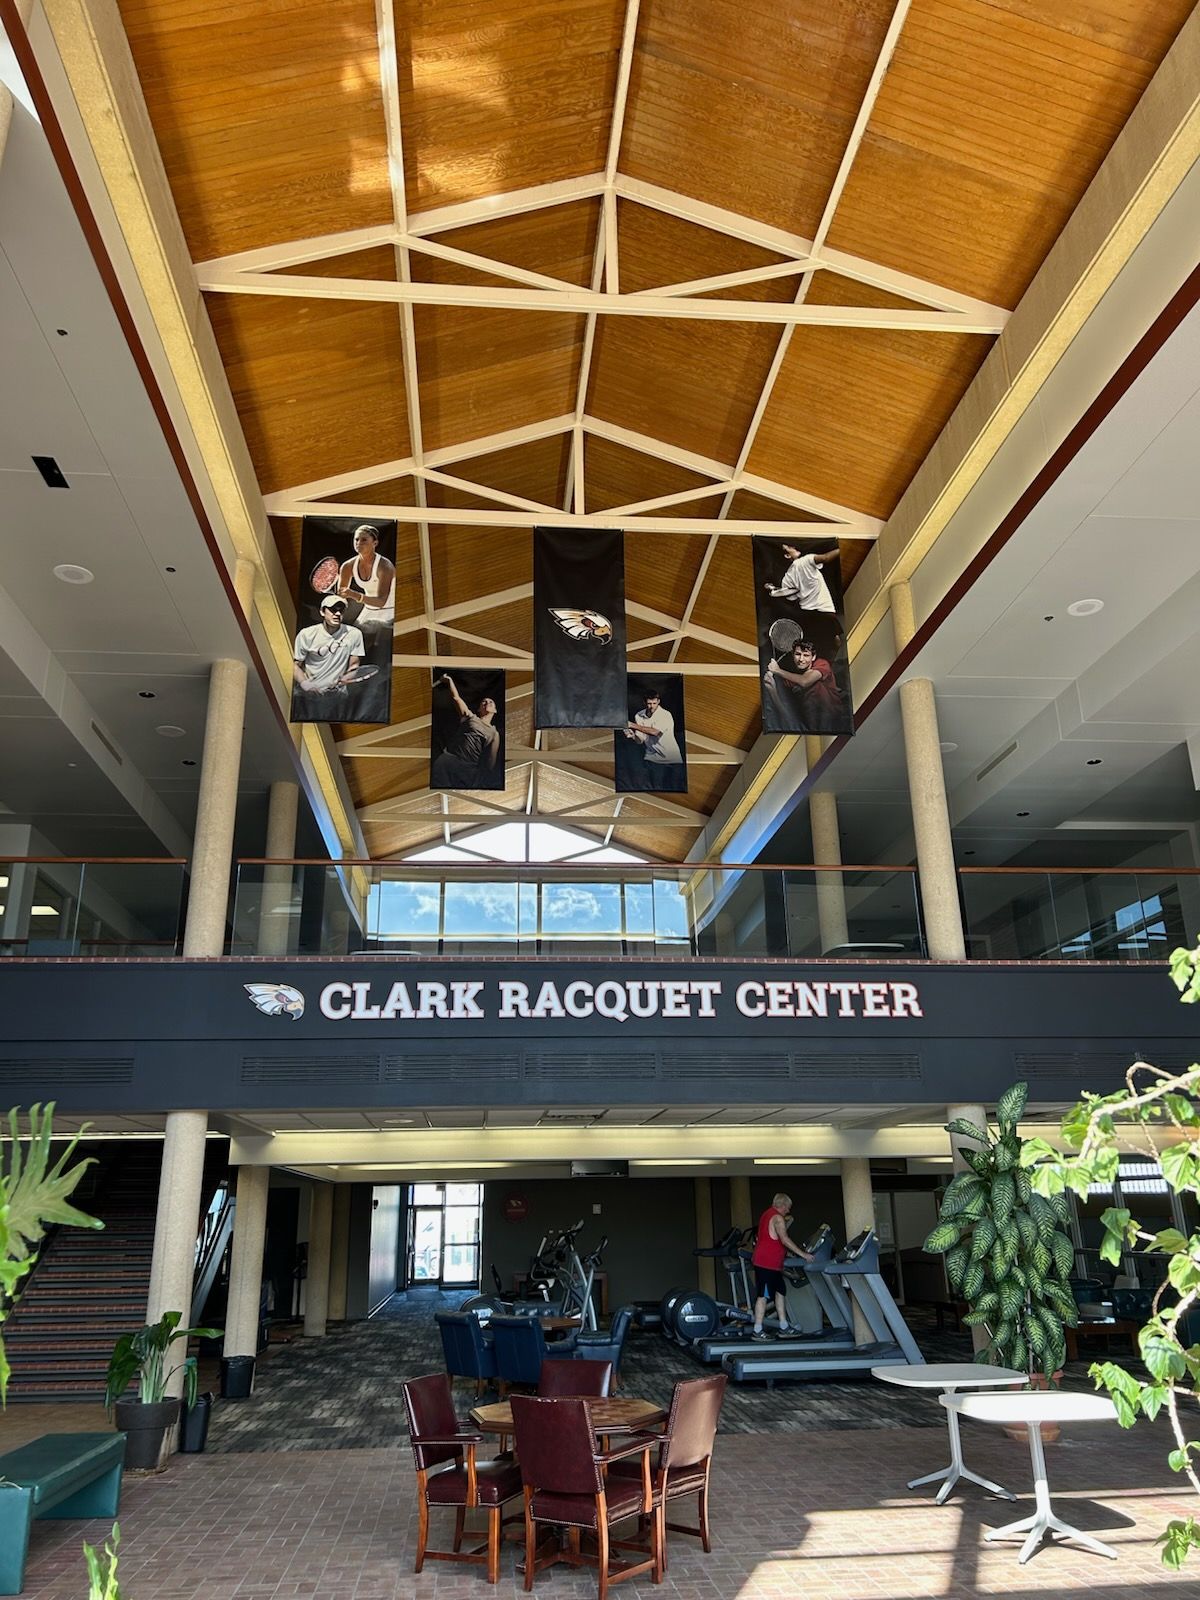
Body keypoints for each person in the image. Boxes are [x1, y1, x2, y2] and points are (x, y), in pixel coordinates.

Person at [291, 595, 365, 721]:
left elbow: (354, 664)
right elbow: (295, 665)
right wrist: (306, 684)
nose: (337, 613)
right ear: (322, 611)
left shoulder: (355, 634)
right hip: (309, 695)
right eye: (332, 609)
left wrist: (345, 679)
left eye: (340, 610)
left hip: (338, 696)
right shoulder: (306, 634)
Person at [751, 1192, 814, 1340]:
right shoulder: (778, 1218)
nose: (788, 1211)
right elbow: (784, 1239)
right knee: (764, 1295)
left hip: (772, 1263)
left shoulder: (766, 1214)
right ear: (783, 1205)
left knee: (781, 1291)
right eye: (788, 1207)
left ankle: (784, 1326)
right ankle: (757, 1329)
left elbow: (770, 1239)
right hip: (766, 1263)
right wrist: (803, 1254)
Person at [431, 674, 501, 787]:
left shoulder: (494, 733)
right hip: (448, 759)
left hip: (467, 768)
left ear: (495, 710)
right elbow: (456, 698)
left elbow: (490, 761)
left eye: (491, 702)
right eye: (484, 702)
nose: (487, 703)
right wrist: (449, 681)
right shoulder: (470, 717)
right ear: (479, 708)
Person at [763, 638, 846, 733]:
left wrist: (777, 670)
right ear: (792, 655)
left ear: (813, 657)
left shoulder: (822, 664)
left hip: (835, 722)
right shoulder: (789, 681)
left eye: (806, 655)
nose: (801, 659)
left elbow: (805, 681)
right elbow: (788, 715)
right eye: (798, 654)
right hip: (812, 727)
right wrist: (772, 689)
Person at [622, 689, 685, 791]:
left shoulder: (665, 715)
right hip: (651, 756)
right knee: (653, 788)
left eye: (654, 703)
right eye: (649, 703)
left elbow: (655, 732)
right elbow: (641, 740)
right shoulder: (638, 716)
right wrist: (633, 736)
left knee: (672, 788)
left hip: (671, 756)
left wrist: (632, 725)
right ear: (644, 702)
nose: (652, 706)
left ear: (658, 702)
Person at [763, 542, 840, 613]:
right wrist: (840, 549)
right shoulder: (806, 559)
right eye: (789, 547)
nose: (793, 547)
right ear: (787, 555)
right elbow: (825, 558)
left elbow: (792, 598)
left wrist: (774, 589)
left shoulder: (786, 579)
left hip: (806, 612)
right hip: (824, 610)